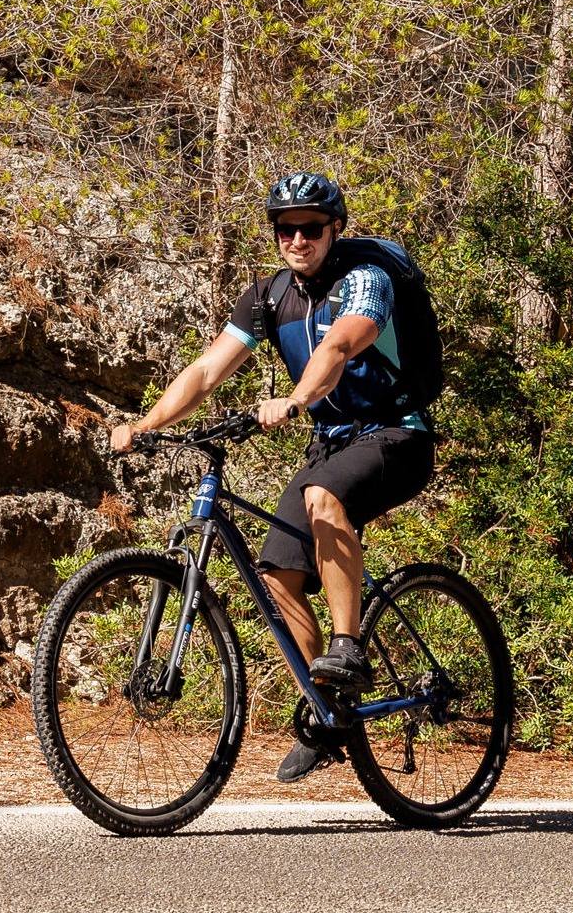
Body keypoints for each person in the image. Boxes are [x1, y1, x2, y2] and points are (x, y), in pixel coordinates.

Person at [111, 171, 443, 784]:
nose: (297, 239)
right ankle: (327, 709)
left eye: (310, 228)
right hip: (333, 442)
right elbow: (209, 369)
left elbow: (340, 347)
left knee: (321, 495)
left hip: (399, 434)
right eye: (285, 228)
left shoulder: (364, 279)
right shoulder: (268, 297)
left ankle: (347, 645)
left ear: (334, 228)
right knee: (277, 574)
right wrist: (146, 422)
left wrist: (293, 400)